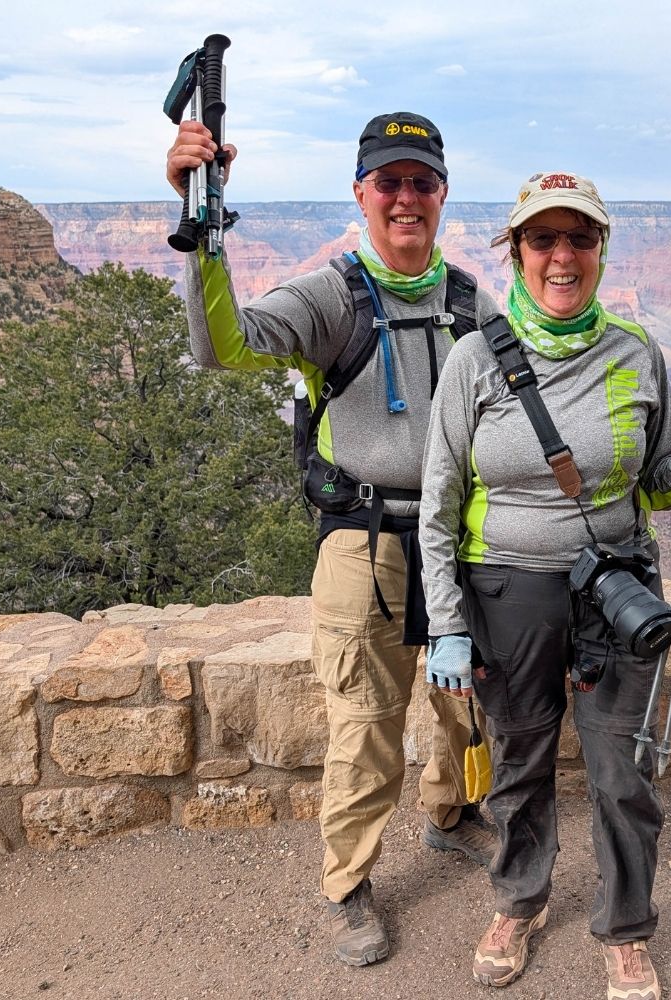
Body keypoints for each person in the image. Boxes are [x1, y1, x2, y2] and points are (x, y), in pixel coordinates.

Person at [165, 111, 500, 968]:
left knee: (465, 708)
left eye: (420, 181)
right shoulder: (332, 294)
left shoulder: (468, 300)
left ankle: (453, 816)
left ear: (442, 195)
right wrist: (203, 233)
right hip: (365, 542)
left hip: (457, 540)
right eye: (388, 181)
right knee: (366, 725)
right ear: (360, 193)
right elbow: (223, 348)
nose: (405, 197)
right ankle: (348, 885)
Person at [418, 171, 671, 999]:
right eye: (543, 239)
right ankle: (519, 899)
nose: (562, 256)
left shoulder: (638, 352)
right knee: (519, 756)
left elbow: (662, 479)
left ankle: (626, 926)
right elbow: (438, 504)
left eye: (580, 239)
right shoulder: (475, 358)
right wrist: (448, 622)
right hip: (508, 592)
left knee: (622, 768)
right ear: (517, 252)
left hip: (615, 588)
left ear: (601, 250)